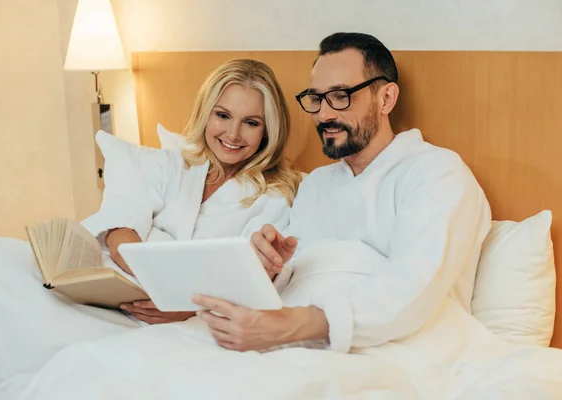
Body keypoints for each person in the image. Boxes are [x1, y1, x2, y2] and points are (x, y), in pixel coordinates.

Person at [0, 58, 302, 389]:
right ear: (206, 113)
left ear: (268, 129)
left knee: (41, 332)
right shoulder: (168, 163)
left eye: (251, 122)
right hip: (117, 285)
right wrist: (156, 283)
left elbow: (249, 277)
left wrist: (183, 308)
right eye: (223, 115)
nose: (233, 133)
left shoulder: (275, 196)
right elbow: (122, 227)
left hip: (169, 316)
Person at [193, 32, 492, 353]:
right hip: (296, 340)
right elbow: (297, 277)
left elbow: (414, 287)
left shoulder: (437, 172)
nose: (324, 114)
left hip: (397, 347)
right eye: (317, 98)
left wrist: (289, 325)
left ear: (386, 99)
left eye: (340, 96)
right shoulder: (316, 184)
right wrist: (270, 268)